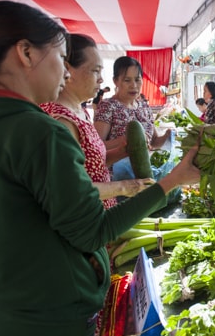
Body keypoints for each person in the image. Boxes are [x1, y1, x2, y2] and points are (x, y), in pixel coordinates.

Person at [0, 0, 200, 336]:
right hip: (47, 321)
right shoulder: (38, 131)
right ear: (25, 53)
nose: (65, 72)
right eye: (59, 56)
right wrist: (171, 181)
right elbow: (93, 231)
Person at [40, 34, 152, 209]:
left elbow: (91, 165)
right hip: (84, 219)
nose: (101, 79)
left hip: (101, 214)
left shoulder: (80, 110)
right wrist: (125, 187)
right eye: (95, 71)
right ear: (68, 70)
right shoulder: (60, 121)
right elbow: (69, 188)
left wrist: (124, 150)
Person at [93, 56, 171, 154]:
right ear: (115, 81)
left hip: (142, 168)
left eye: (137, 80)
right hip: (117, 168)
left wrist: (167, 136)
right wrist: (127, 141)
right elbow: (96, 146)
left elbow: (153, 142)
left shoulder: (144, 107)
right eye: (127, 80)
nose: (133, 85)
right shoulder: (107, 106)